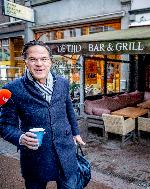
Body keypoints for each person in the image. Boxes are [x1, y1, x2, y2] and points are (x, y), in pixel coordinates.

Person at [0, 40, 86, 189]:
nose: (39, 64)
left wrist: (76, 132)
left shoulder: (63, 83)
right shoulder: (10, 89)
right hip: (35, 157)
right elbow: (5, 126)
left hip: (66, 152)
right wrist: (20, 138)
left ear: (50, 62)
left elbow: (68, 109)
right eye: (33, 59)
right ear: (25, 62)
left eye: (44, 59)